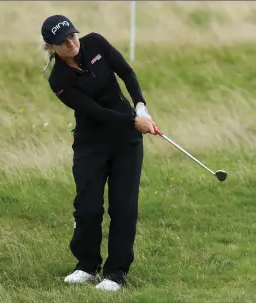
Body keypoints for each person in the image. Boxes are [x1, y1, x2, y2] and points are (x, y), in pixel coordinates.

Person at [39, 14, 157, 291]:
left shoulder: (95, 43)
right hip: (91, 144)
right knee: (88, 208)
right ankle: (87, 266)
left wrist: (140, 106)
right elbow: (96, 113)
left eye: (72, 36)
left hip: (126, 142)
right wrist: (133, 121)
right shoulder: (59, 80)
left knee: (123, 208)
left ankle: (115, 273)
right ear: (49, 47)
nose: (71, 43)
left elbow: (126, 72)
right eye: (62, 41)